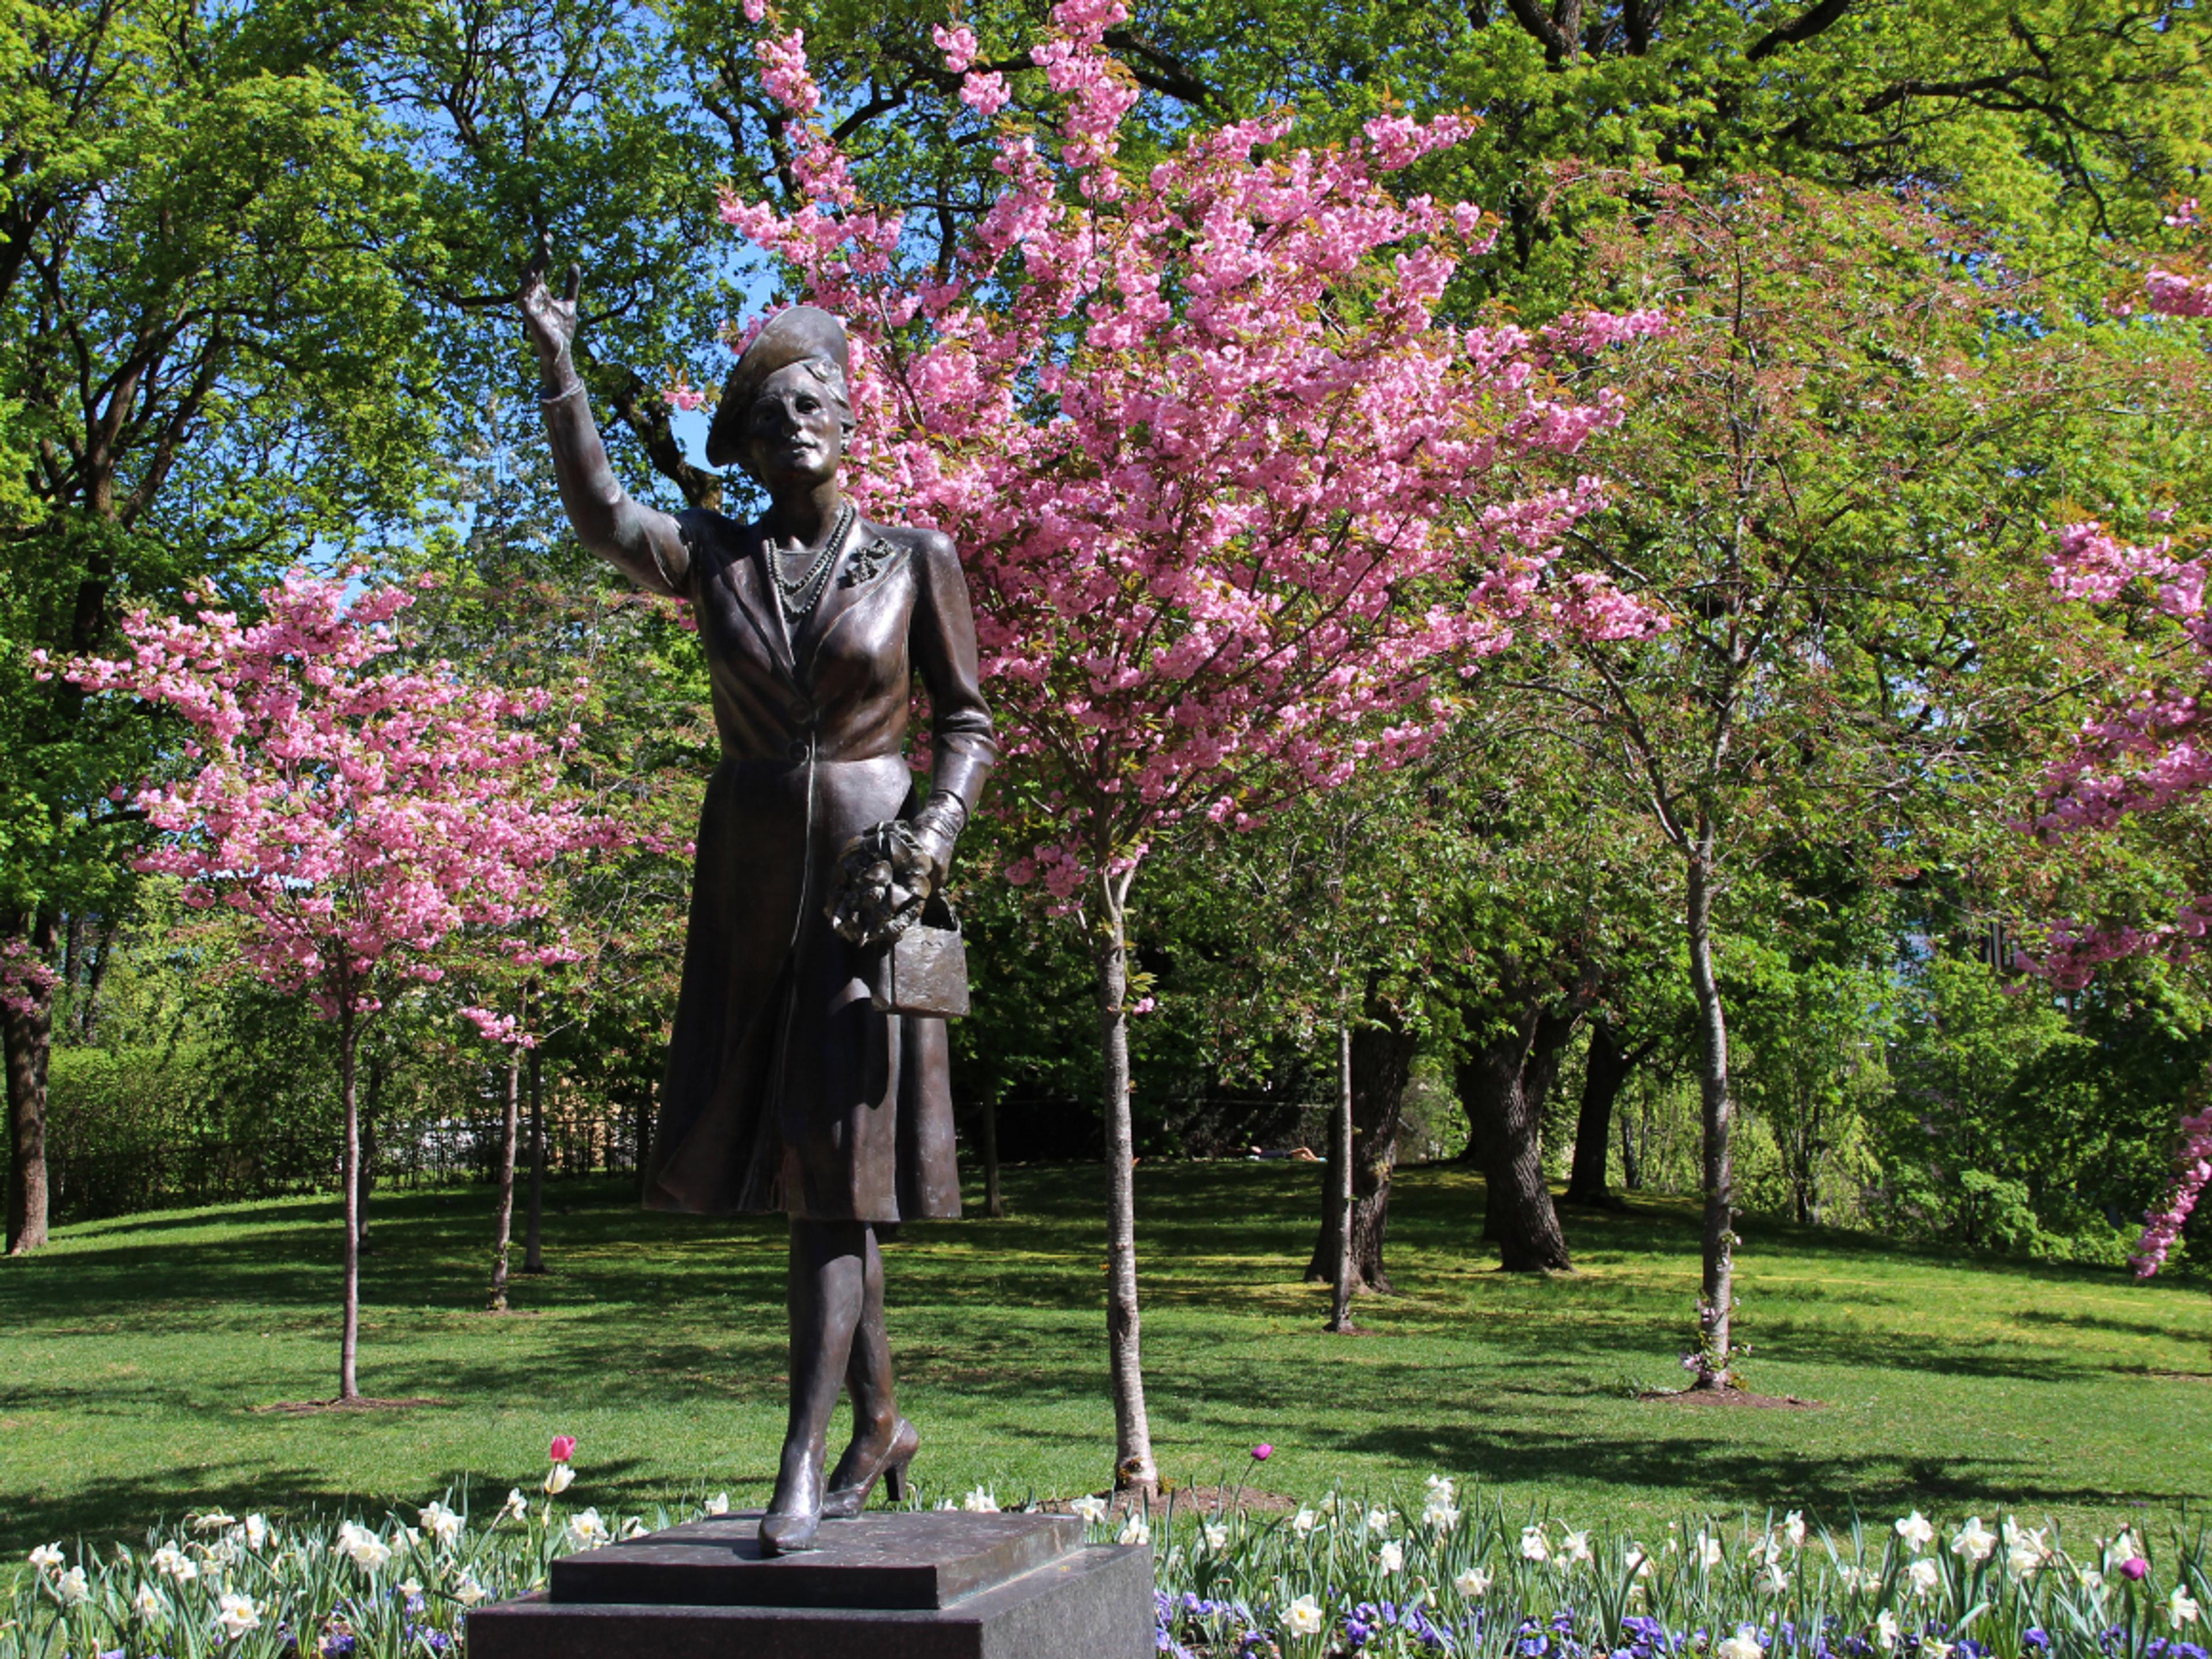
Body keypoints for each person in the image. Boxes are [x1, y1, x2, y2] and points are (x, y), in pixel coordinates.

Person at [518, 259, 997, 1555]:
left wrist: (929, 837)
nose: (797, 421)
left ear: (851, 422)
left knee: (833, 1177)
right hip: (744, 888)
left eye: (817, 401)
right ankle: (882, 1419)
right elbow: (606, 518)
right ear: (743, 436)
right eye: (771, 408)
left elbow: (968, 723)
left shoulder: (915, 558)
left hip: (867, 886)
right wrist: (562, 369)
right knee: (811, 1169)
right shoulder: (716, 557)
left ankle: (800, 1458)